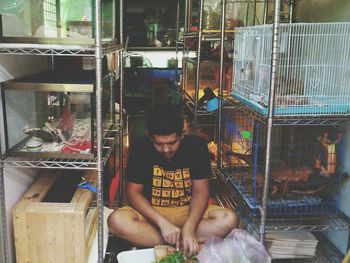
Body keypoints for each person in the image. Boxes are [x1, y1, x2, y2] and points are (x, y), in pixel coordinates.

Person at [108, 107, 238, 256]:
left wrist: (190, 227)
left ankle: (173, 242)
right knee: (116, 221)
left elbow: (201, 192)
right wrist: (162, 223)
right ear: (150, 137)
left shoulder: (197, 146)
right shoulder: (140, 146)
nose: (165, 149)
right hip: (152, 214)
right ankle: (185, 244)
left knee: (229, 219)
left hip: (187, 211)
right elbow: (133, 192)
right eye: (159, 144)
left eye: (171, 143)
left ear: (182, 135)